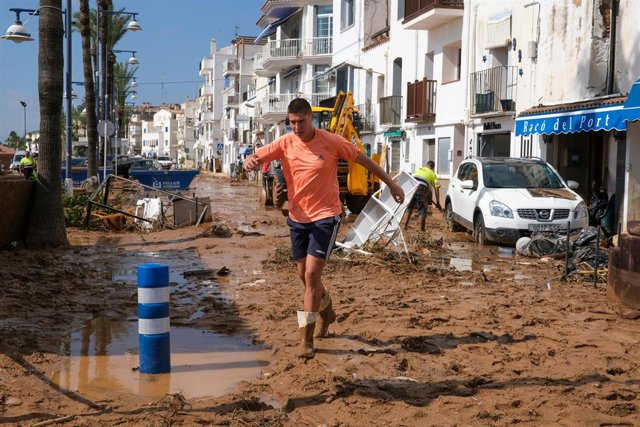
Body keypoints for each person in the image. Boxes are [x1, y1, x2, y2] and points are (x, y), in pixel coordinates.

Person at [244, 98, 404, 359]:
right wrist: (250, 161)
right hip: (297, 217)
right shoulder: (285, 142)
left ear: (311, 118)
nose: (296, 127)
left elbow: (364, 161)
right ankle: (326, 308)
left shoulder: (331, 141)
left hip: (326, 216)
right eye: (292, 122)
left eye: (301, 122)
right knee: (303, 274)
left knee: (311, 273)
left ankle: (306, 341)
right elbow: (256, 156)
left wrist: (392, 185)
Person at [404, 160, 442, 232]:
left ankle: (405, 226)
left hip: (413, 187)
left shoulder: (419, 169)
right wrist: (438, 201)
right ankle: (422, 231)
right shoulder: (433, 174)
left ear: (426, 165)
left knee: (410, 208)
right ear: (433, 168)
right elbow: (436, 188)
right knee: (422, 210)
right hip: (422, 189)